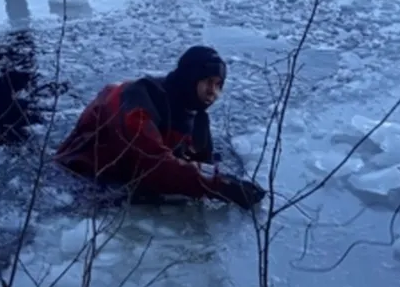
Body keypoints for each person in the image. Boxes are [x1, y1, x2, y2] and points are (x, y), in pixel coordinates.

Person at [54, 46, 267, 209]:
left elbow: (203, 163)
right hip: (76, 176)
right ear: (189, 79)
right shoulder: (139, 99)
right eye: (208, 82)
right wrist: (221, 187)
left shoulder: (197, 118)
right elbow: (152, 164)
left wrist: (227, 181)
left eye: (219, 85)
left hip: (124, 176)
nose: (213, 91)